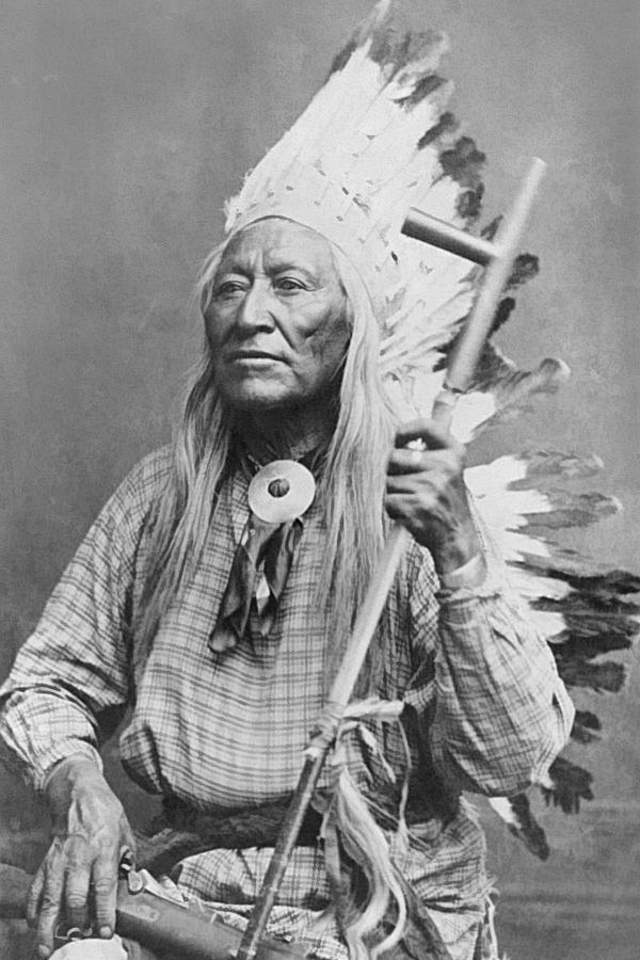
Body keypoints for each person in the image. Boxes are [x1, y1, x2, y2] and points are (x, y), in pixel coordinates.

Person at [0, 5, 574, 960]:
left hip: (382, 905)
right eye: (233, 285)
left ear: (353, 328)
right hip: (187, 891)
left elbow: (509, 760)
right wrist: (80, 786)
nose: (251, 314)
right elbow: (47, 682)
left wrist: (461, 552)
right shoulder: (160, 497)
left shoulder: (412, 507)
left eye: (292, 286)